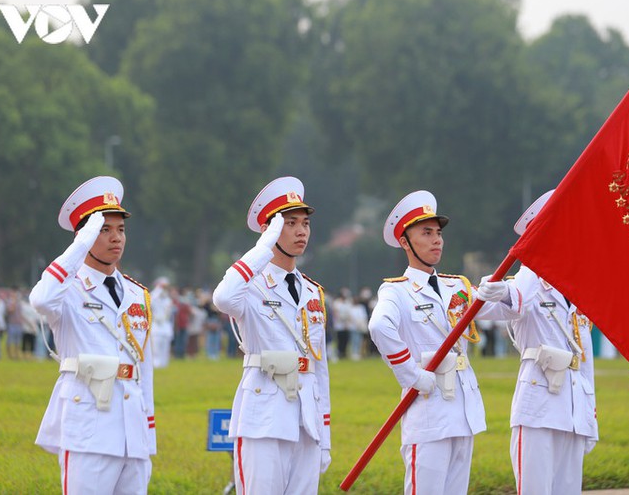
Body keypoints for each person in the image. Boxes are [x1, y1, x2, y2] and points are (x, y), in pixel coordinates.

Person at [368, 190, 523, 495]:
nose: (437, 239)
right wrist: (412, 377)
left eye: (438, 233)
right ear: (405, 241)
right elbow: (379, 327)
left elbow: (511, 311)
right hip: (427, 410)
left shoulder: (457, 286)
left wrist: (502, 291)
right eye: (426, 233)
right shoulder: (396, 291)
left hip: (461, 409)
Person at [29, 176, 156, 494]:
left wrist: (147, 433)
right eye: (104, 229)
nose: (116, 238)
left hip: (132, 432)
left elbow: (145, 369)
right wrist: (79, 246)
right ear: (83, 236)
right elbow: (40, 300)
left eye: (120, 229)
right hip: (89, 429)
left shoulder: (137, 293)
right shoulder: (66, 290)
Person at [212, 176, 331, 494]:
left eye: (305, 223)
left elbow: (320, 367)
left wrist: (325, 434)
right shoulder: (251, 283)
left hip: (306, 420)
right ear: (269, 229)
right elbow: (223, 299)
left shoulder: (311, 291)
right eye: (289, 223)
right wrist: (262, 248)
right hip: (263, 418)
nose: (301, 231)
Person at [504, 190, 598, 495]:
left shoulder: (579, 287)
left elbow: (585, 359)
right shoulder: (527, 284)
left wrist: (590, 413)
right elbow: (503, 303)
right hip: (539, 408)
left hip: (573, 409)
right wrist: (530, 264)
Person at [150, 277, 174, 368]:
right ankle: (156, 363)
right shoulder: (154, 296)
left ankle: (164, 364)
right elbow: (153, 298)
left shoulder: (167, 298)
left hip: (166, 326)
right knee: (156, 347)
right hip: (156, 325)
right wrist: (158, 288)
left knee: (165, 347)